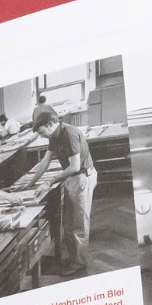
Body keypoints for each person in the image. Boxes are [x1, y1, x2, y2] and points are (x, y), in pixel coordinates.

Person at [20, 105, 97, 276]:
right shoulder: (54, 136)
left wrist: (50, 182)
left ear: (50, 124)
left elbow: (75, 166)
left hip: (81, 178)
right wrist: (30, 183)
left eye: (42, 132)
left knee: (78, 225)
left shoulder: (69, 134)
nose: (42, 136)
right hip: (73, 179)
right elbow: (45, 161)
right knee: (68, 224)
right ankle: (74, 258)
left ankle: (79, 263)